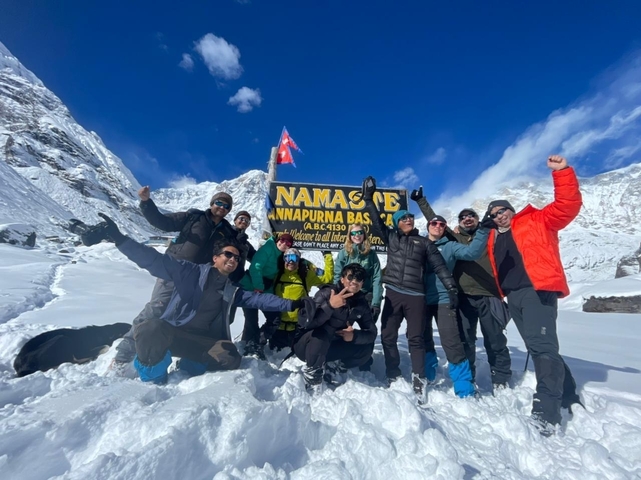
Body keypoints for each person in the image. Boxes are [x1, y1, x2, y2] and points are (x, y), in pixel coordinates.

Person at [84, 214, 301, 383]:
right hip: (172, 332)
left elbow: (259, 300)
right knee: (150, 328)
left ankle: (189, 366)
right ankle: (154, 379)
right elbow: (153, 260)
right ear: (215, 258)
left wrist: (292, 303)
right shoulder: (188, 271)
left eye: (236, 257)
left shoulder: (231, 288)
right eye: (228, 254)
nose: (233, 259)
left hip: (199, 340)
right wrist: (120, 240)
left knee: (230, 357)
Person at [483, 154, 583, 434]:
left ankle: (546, 411)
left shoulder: (537, 220)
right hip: (513, 296)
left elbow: (567, 206)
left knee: (542, 347)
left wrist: (562, 172)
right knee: (539, 346)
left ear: (511, 209)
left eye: (503, 209)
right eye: (494, 213)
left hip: (537, 290)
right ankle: (568, 393)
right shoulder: (492, 237)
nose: (500, 214)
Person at [113, 187, 240, 366]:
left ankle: (177, 347)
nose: (222, 207)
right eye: (219, 202)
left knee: (192, 314)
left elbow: (231, 252)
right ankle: (125, 352)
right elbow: (162, 222)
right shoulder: (193, 217)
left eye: (226, 206)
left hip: (200, 278)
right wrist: (146, 203)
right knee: (157, 306)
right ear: (212, 203)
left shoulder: (227, 231)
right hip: (175, 270)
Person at [361, 176, 458, 403]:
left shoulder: (424, 243)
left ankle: (419, 377)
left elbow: (439, 266)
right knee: (387, 336)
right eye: (403, 218)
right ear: (397, 223)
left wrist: (451, 286)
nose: (408, 219)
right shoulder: (391, 238)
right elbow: (375, 221)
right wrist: (368, 198)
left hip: (416, 297)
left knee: (416, 339)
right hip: (394, 293)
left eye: (410, 217)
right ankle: (393, 373)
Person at [411, 187, 512, 392]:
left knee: (494, 338)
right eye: (463, 217)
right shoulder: (447, 239)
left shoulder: (488, 235)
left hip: (486, 294)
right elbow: (433, 220)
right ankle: (467, 375)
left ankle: (498, 377)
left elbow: (477, 251)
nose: (467, 219)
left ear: (478, 219)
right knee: (463, 339)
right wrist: (421, 201)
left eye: (471, 216)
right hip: (460, 296)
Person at [423, 214, 489, 398]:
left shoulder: (450, 246)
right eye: (434, 223)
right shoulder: (419, 244)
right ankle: (427, 375)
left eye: (441, 224)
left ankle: (464, 387)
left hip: (444, 298)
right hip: (421, 299)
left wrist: (483, 231)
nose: (437, 226)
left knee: (451, 341)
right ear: (428, 226)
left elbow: (472, 253)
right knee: (424, 339)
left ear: (445, 228)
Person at [293, 263, 377, 393]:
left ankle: (333, 367)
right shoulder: (326, 293)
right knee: (321, 334)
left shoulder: (361, 303)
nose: (354, 282)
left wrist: (354, 336)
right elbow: (307, 323)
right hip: (307, 346)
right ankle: (313, 375)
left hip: (332, 345)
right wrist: (330, 306)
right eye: (350, 277)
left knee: (366, 347)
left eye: (359, 279)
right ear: (342, 279)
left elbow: (372, 333)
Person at [265, 247, 334, 350]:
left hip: (297, 329)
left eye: (294, 258)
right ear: (284, 260)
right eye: (288, 258)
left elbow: (327, 279)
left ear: (299, 260)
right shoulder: (277, 274)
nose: (291, 261)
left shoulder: (305, 276)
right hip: (277, 328)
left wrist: (327, 255)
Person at [239, 233, 295, 358]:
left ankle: (257, 343)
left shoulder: (284, 256)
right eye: (282, 240)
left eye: (289, 243)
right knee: (251, 319)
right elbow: (256, 267)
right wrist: (258, 286)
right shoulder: (268, 248)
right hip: (250, 287)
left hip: (267, 289)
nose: (284, 243)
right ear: (277, 240)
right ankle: (247, 347)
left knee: (274, 318)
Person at [333, 224, 383, 321]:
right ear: (349, 236)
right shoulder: (344, 253)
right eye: (353, 233)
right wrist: (337, 296)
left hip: (366, 295)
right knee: (342, 328)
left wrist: (376, 303)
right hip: (348, 295)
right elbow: (338, 276)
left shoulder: (371, 254)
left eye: (360, 232)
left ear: (364, 234)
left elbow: (377, 278)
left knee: (369, 329)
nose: (357, 235)